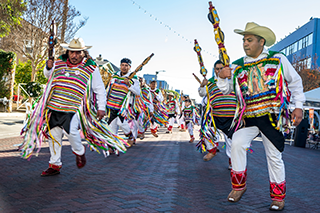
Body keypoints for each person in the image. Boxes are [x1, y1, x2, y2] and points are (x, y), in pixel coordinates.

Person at [217, 22, 305, 211]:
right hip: (248, 117)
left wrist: (298, 107)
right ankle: (238, 187)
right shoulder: (238, 66)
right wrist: (222, 76)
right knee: (237, 144)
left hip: (271, 117)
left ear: (261, 42)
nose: (245, 44)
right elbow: (226, 89)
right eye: (243, 40)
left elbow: (295, 82)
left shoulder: (278, 59)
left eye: (249, 40)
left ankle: (278, 198)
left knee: (274, 156)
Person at [20, 38, 127, 176]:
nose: (74, 55)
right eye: (72, 52)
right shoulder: (59, 62)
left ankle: (79, 151)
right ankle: (55, 165)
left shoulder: (91, 67)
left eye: (77, 52)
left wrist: (101, 108)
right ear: (68, 51)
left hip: (74, 107)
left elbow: (99, 89)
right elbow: (48, 76)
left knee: (71, 131)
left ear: (83, 52)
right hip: (54, 106)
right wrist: (48, 66)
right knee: (54, 135)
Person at [198, 60, 236, 169]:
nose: (219, 70)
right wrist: (202, 85)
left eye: (221, 68)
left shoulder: (232, 80)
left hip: (231, 116)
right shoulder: (210, 82)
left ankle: (232, 162)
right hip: (215, 116)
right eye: (217, 69)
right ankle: (212, 150)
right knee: (206, 131)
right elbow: (202, 94)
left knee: (231, 141)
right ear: (214, 70)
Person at [105, 58, 140, 146]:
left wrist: (129, 84)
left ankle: (129, 135)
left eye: (126, 66)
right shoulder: (114, 76)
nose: (124, 67)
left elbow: (138, 92)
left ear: (130, 67)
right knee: (112, 126)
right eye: (122, 65)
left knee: (121, 123)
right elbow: (109, 89)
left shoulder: (134, 79)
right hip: (111, 104)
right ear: (120, 66)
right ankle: (113, 146)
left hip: (123, 107)